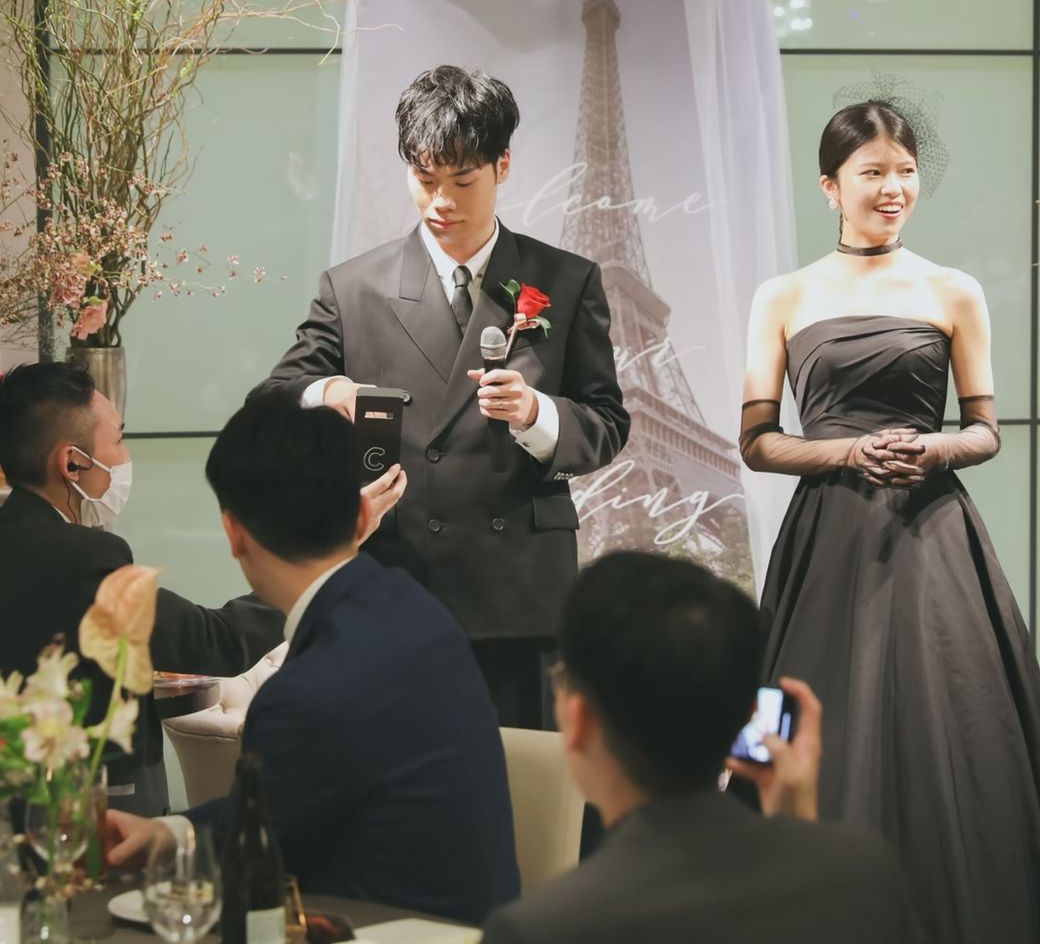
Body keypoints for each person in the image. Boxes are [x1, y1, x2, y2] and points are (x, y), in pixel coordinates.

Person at [738, 100, 1040, 944]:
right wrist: (848, 453)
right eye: (873, 172)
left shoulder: (954, 289)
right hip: (826, 538)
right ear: (830, 186)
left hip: (933, 534)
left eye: (906, 171)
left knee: (957, 721)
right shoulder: (783, 295)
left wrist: (931, 448)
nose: (893, 188)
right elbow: (758, 442)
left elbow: (985, 429)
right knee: (810, 717)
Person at [253, 65, 630, 728]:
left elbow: (607, 421)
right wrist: (330, 390)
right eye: (425, 179)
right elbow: (273, 398)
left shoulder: (565, 281)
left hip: (520, 594)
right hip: (395, 579)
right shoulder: (355, 288)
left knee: (519, 781)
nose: (441, 203)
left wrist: (536, 414)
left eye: (462, 181)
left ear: (502, 166)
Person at [107, 394, 520, 925]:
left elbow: (259, 864)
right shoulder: (420, 612)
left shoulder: (304, 695)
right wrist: (166, 833)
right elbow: (287, 803)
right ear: (362, 515)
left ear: (234, 534)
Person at [480, 550, 916, 944]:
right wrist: (799, 826)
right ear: (748, 714)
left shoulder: (541, 928)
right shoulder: (866, 873)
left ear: (580, 720)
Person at [0, 362, 286, 816]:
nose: (124, 456)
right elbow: (216, 643)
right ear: (72, 462)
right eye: (118, 439)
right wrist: (307, 567)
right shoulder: (84, 557)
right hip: (94, 804)